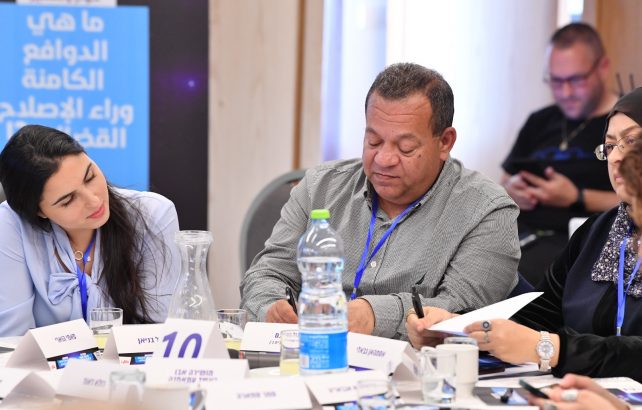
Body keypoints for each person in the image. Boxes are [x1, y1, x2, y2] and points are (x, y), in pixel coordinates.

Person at [240, 62, 520, 339]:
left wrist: (374, 315)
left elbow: (463, 314)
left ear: (445, 142)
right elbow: (265, 274)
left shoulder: (487, 211)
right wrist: (271, 307)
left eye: (405, 148)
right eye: (373, 142)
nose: (384, 159)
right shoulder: (320, 188)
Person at [407, 87, 642, 381]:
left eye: (631, 141)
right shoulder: (595, 233)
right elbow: (539, 317)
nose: (616, 157)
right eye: (610, 146)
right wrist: (460, 329)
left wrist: (550, 349)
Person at [0, 125, 181, 336]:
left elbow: (159, 331)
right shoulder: (10, 224)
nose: (94, 201)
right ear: (39, 212)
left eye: (90, 177)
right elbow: (11, 339)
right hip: (42, 359)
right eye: (68, 200)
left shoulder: (154, 214)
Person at [502, 22, 619, 285]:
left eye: (575, 80)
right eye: (556, 81)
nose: (565, 93)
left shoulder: (626, 124)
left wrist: (576, 196)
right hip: (521, 236)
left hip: (582, 244)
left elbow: (637, 203)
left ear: (602, 68)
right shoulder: (539, 121)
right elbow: (504, 183)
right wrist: (513, 192)